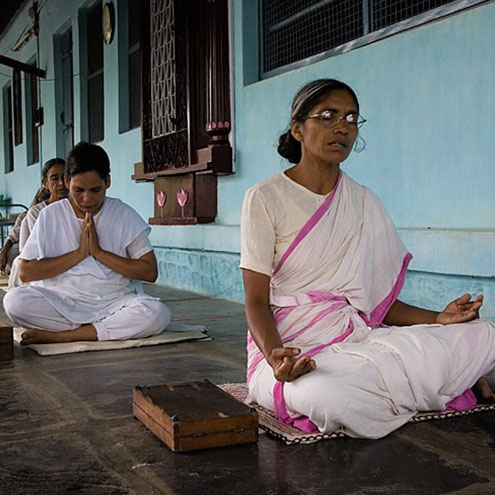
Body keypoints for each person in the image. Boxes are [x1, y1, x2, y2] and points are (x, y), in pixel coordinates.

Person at [240, 79, 495, 439]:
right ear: (297, 128)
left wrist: (440, 319)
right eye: (328, 115)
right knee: (329, 396)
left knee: (485, 334)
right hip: (294, 347)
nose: (342, 127)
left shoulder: (362, 201)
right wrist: (275, 356)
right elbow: (255, 300)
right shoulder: (264, 197)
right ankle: (448, 383)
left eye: (351, 118)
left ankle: (433, 382)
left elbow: (377, 303)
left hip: (356, 338)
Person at [3, 142, 171, 345]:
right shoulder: (50, 215)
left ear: (107, 182)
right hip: (61, 301)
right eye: (78, 190)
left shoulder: (122, 214)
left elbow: (149, 272)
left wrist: (99, 253)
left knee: (156, 313)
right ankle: (100, 330)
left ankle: (64, 336)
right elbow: (26, 272)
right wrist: (80, 253)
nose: (87, 199)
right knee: (14, 302)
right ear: (67, 181)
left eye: (95, 190)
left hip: (113, 302)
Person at [7, 159, 69, 288]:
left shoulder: (78, 206)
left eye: (64, 177)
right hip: (44, 265)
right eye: (54, 178)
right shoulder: (38, 212)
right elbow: (45, 247)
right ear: (45, 183)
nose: (61, 183)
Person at [0, 186, 49, 276]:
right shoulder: (26, 216)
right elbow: (12, 237)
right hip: (25, 249)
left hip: (40, 253)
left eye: (45, 198)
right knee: (11, 255)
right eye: (40, 199)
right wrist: (3, 252)